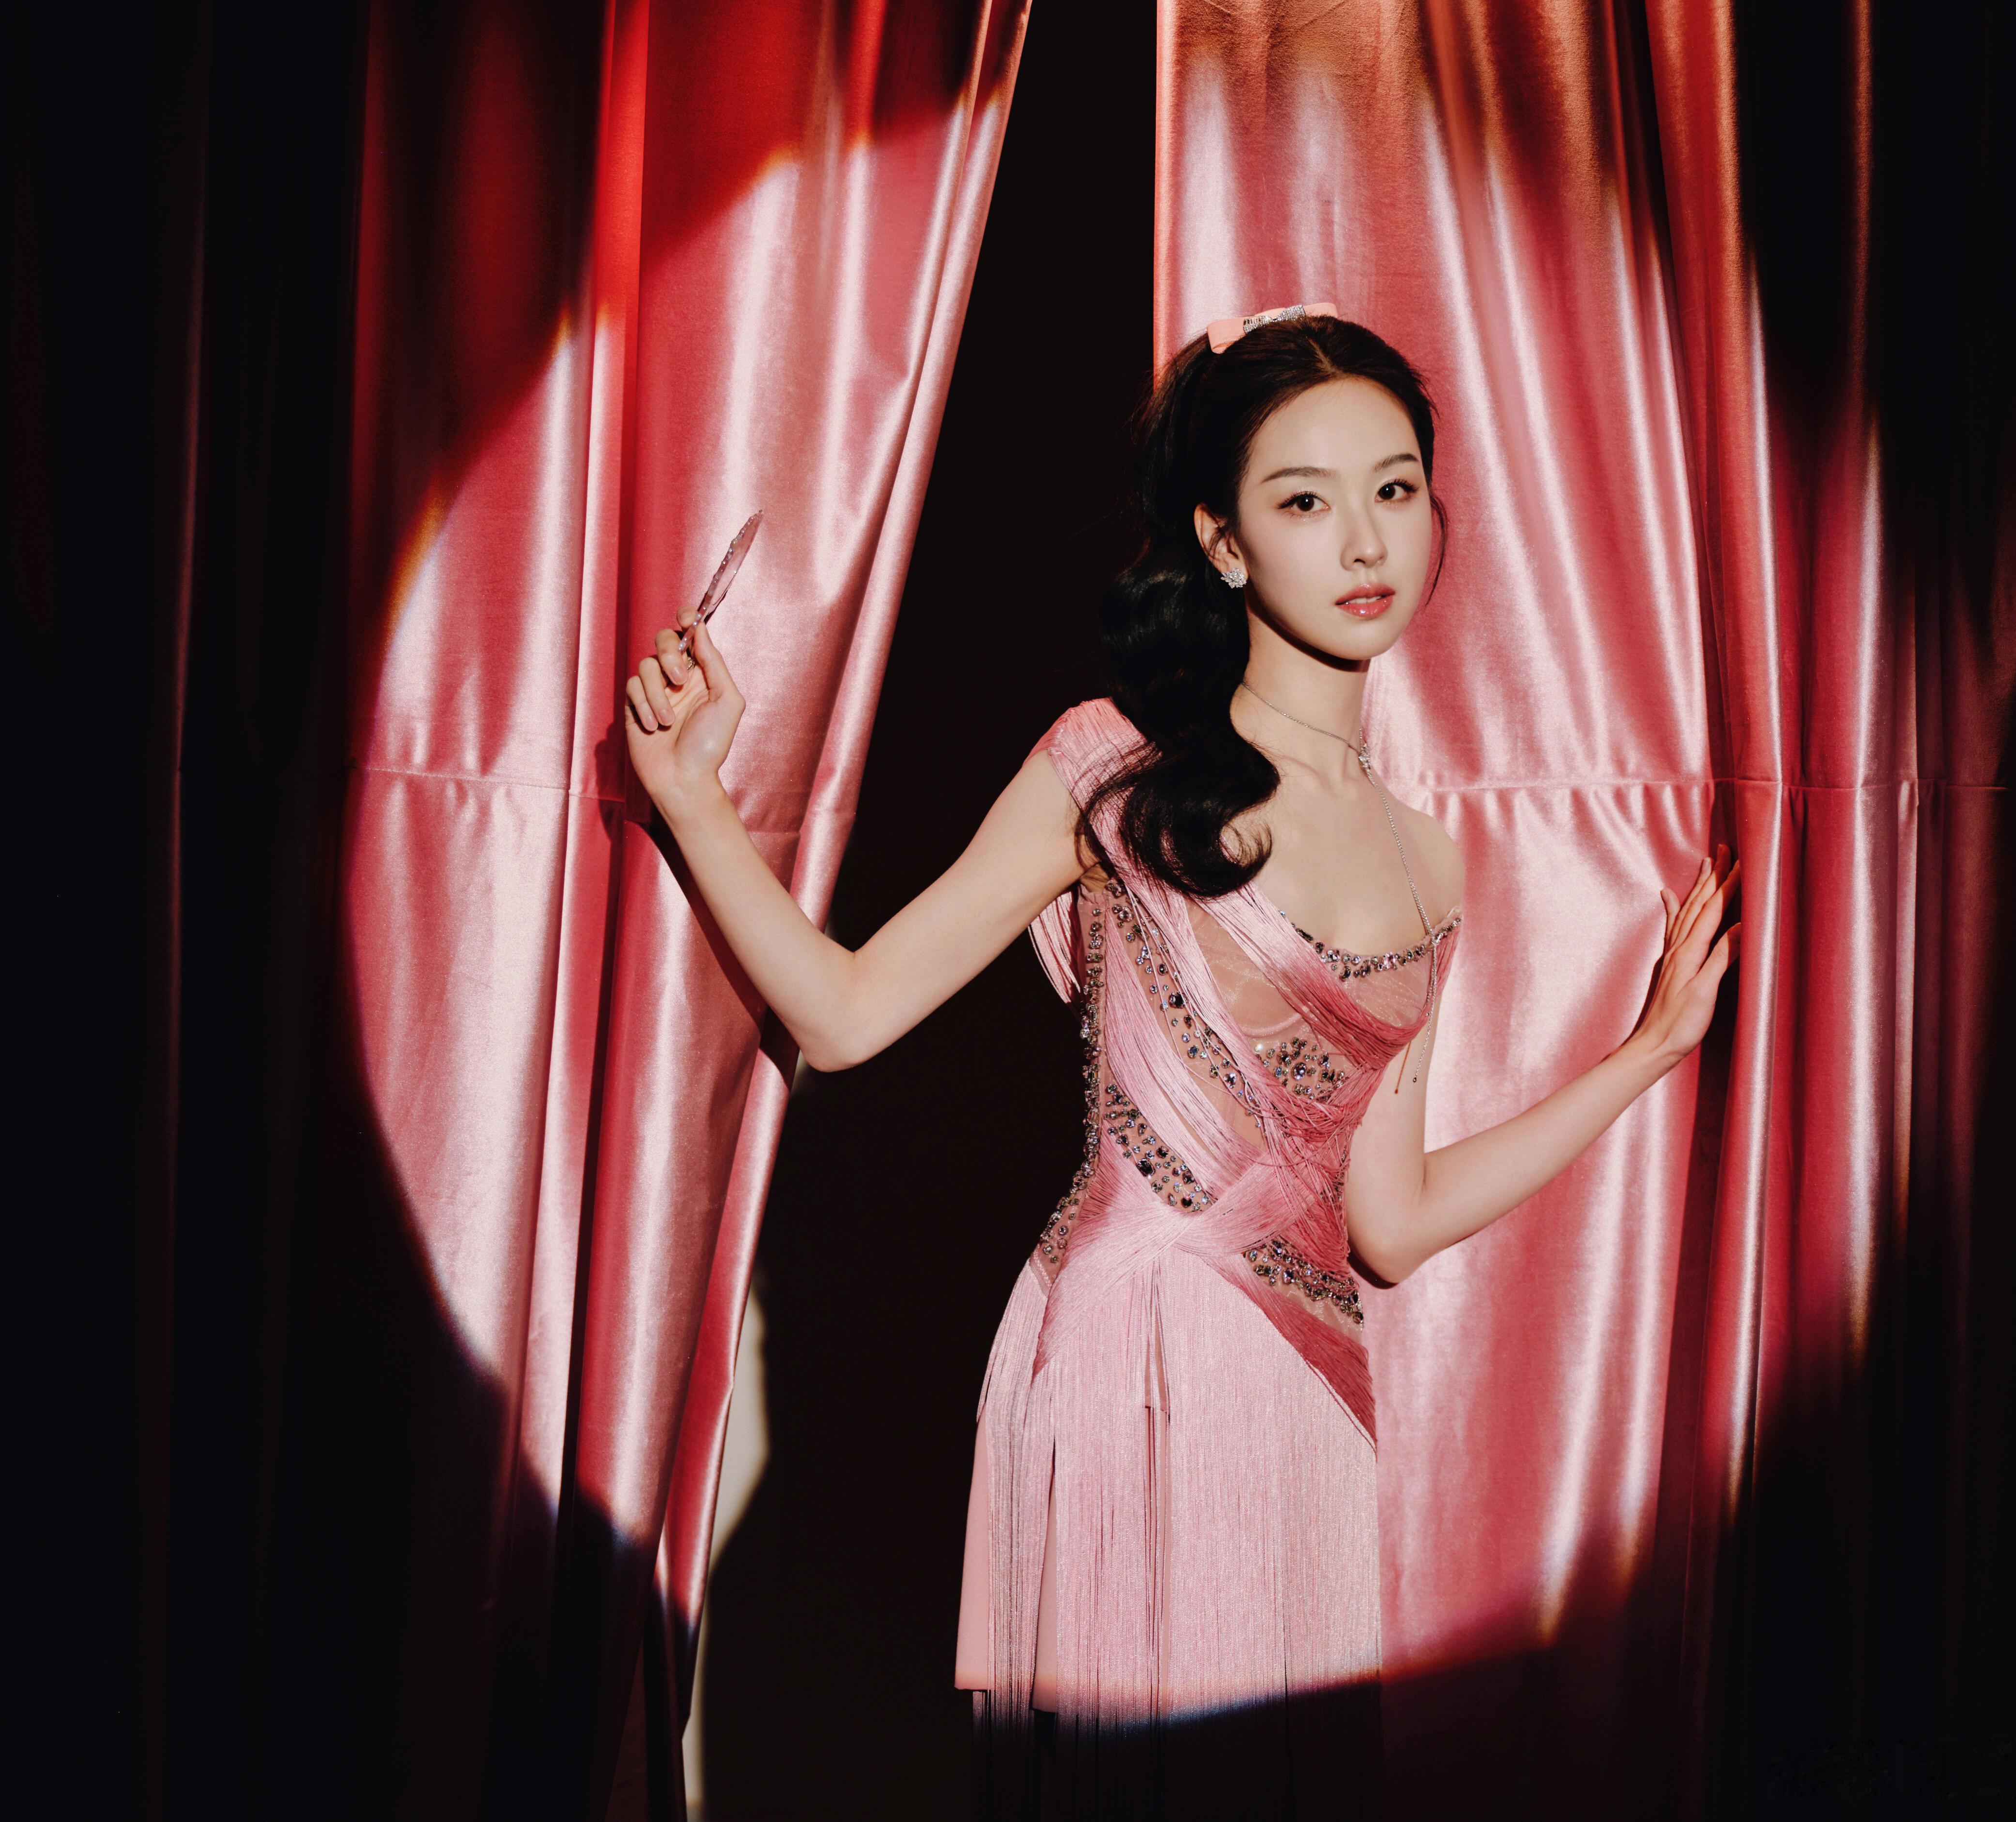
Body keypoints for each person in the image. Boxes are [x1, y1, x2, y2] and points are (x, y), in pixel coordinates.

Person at [622, 308, 1739, 1817]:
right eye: (1305, 500)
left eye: (1396, 488)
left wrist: (1645, 1058)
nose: (1366, 540)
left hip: (1312, 1394)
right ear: (1223, 545)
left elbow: (1391, 1220)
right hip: (1125, 1351)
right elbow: (847, 1012)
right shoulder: (1111, 765)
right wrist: (694, 801)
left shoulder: (1430, 856)